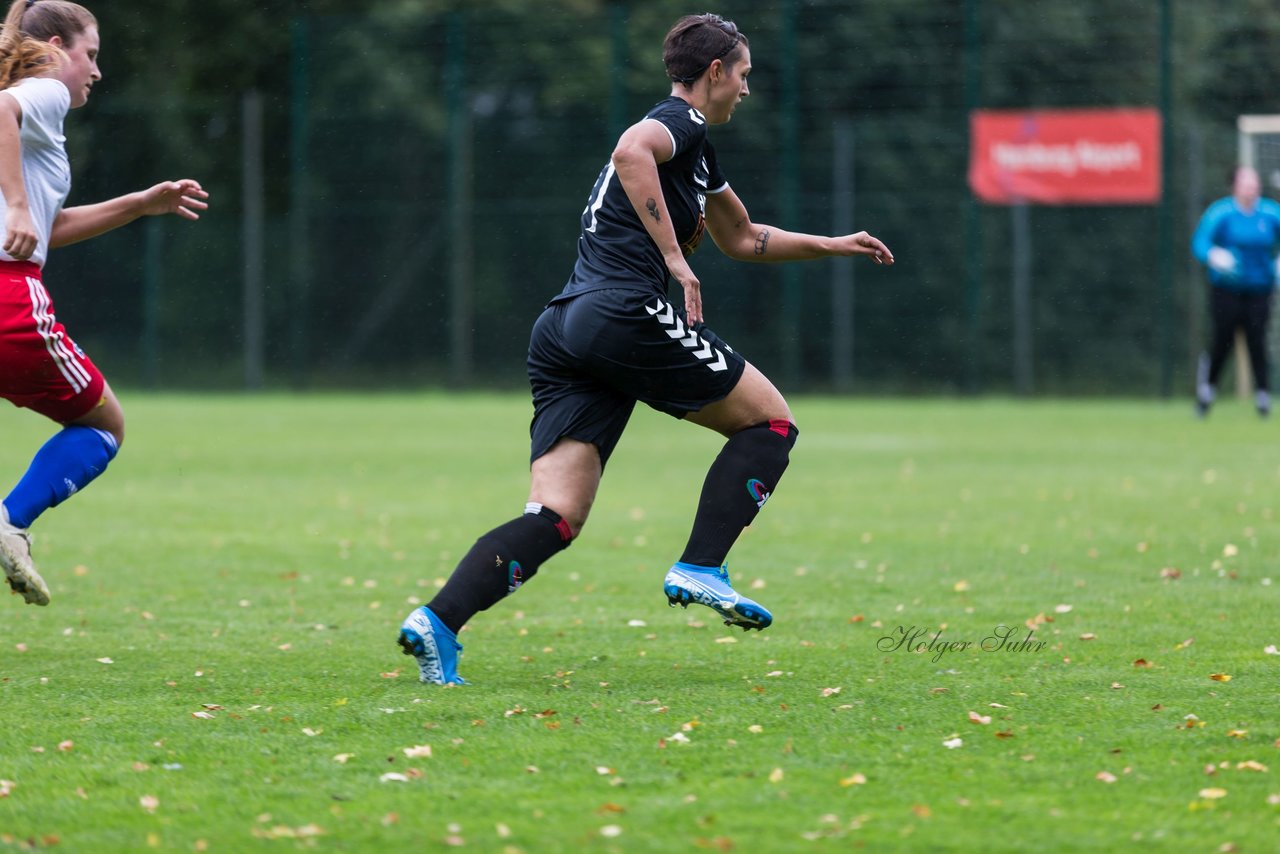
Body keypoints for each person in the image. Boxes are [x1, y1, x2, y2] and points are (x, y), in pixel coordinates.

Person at [398, 12, 893, 685]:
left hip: (566, 327)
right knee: (771, 422)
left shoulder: (698, 154)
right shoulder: (678, 122)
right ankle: (701, 565)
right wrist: (673, 261)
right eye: (743, 74)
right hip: (620, 311)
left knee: (556, 516)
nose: (747, 89)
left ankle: (438, 623)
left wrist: (832, 244)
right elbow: (631, 151)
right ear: (714, 72)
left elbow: (743, 237)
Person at [0, 0, 209, 606]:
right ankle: (11, 522)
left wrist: (139, 204)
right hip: (9, 296)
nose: (94, 71)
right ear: (58, 48)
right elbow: (2, 115)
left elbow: (48, 223)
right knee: (102, 425)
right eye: (91, 55)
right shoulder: (41, 91)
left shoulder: (33, 121)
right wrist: (15, 206)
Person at [1190, 165, 1280, 417]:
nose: (1252, 187)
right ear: (1235, 186)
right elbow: (1199, 242)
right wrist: (1213, 254)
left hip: (1260, 289)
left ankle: (1262, 398)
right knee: (1222, 341)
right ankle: (1206, 394)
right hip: (1226, 289)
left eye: (1255, 182)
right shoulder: (1221, 212)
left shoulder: (1271, 213)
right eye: (1246, 182)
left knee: (1258, 341)